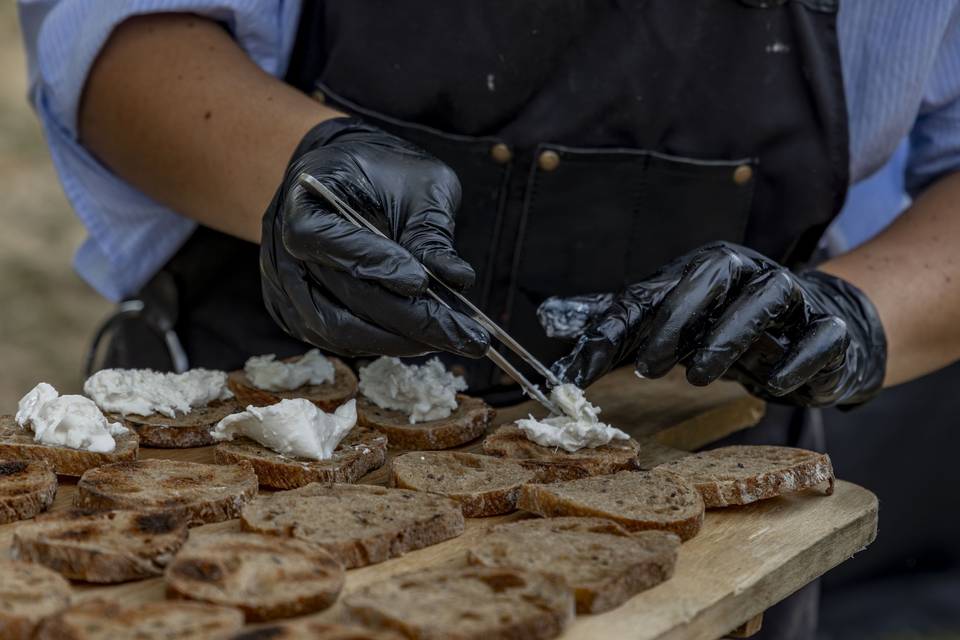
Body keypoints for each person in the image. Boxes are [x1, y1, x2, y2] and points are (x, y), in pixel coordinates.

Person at [17, 2, 960, 638]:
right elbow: (116, 33)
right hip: (257, 412)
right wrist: (300, 165)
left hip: (712, 469)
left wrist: (861, 310)